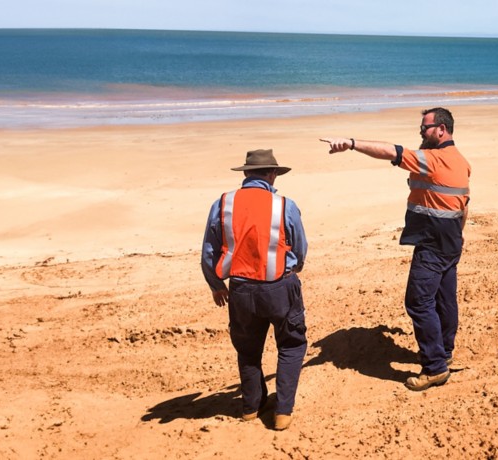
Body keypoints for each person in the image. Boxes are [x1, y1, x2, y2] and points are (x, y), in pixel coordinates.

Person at [320, 107, 470, 392]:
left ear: (441, 130)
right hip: (452, 241)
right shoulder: (461, 160)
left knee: (418, 302)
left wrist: (351, 144)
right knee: (445, 299)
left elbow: (391, 151)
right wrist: (457, 237)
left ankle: (435, 367)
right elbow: (465, 203)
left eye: (425, 128)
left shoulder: (432, 159)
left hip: (432, 244)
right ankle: (445, 350)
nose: (420, 132)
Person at [201, 148, 308, 430]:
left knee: (248, 350)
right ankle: (283, 412)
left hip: (240, 289)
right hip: (278, 287)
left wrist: (216, 285)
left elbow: (209, 251)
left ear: (246, 174)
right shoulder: (284, 204)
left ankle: (252, 406)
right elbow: (299, 247)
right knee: (291, 345)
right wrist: (294, 269)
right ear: (272, 174)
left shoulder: (222, 203)